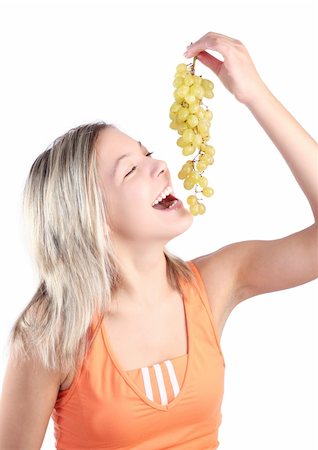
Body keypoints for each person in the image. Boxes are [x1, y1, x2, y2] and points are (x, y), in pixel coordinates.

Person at [0, 30, 317, 450]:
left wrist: (253, 94)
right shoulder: (51, 330)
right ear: (90, 217)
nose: (162, 165)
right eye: (130, 171)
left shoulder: (212, 284)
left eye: (148, 155)